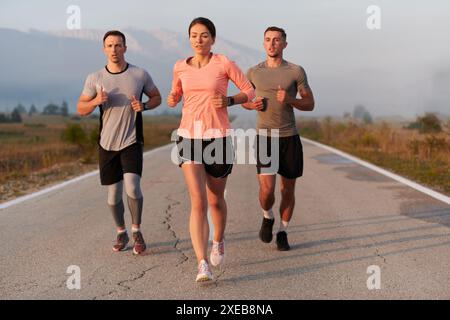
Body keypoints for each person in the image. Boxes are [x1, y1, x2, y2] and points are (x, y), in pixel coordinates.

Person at [167, 17, 255, 282]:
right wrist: (173, 98)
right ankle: (202, 263)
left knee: (215, 199)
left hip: (218, 137)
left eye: (204, 35)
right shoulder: (180, 66)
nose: (198, 39)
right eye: (194, 35)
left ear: (213, 39)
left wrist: (229, 100)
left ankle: (218, 240)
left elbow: (249, 92)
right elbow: (176, 93)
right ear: (189, 38)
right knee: (198, 201)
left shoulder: (223, 63)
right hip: (189, 137)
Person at [77, 30, 162, 255]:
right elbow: (81, 109)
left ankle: (137, 231)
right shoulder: (94, 78)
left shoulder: (139, 74)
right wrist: (96, 100)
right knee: (113, 195)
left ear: (125, 47)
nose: (114, 50)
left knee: (133, 187)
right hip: (107, 144)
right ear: (104, 49)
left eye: (118, 45)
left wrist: (143, 106)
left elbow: (157, 97)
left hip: (131, 140)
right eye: (110, 46)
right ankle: (121, 231)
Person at [242, 26, 315, 251]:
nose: (272, 44)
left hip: (289, 138)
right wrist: (251, 104)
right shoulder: (254, 72)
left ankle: (283, 231)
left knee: (287, 191)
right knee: (266, 191)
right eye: (267, 40)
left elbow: (310, 103)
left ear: (284, 44)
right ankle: (267, 216)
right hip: (265, 137)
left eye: (276, 40)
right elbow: (245, 99)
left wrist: (290, 100)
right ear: (263, 44)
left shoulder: (296, 71)